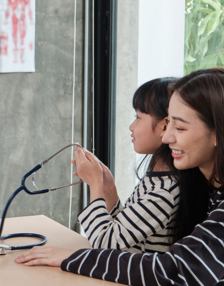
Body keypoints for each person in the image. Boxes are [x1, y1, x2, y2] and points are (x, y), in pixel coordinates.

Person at [16, 68, 224, 286]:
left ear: (220, 134)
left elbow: (172, 270)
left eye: (179, 127)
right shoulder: (204, 187)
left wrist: (71, 258)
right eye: (168, 124)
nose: (167, 137)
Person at [76, 78, 180, 257]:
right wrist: (108, 189)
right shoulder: (157, 178)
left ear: (165, 125)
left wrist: (95, 185)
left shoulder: (165, 192)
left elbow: (105, 244)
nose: (131, 127)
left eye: (138, 117)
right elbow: (124, 234)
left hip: (137, 283)